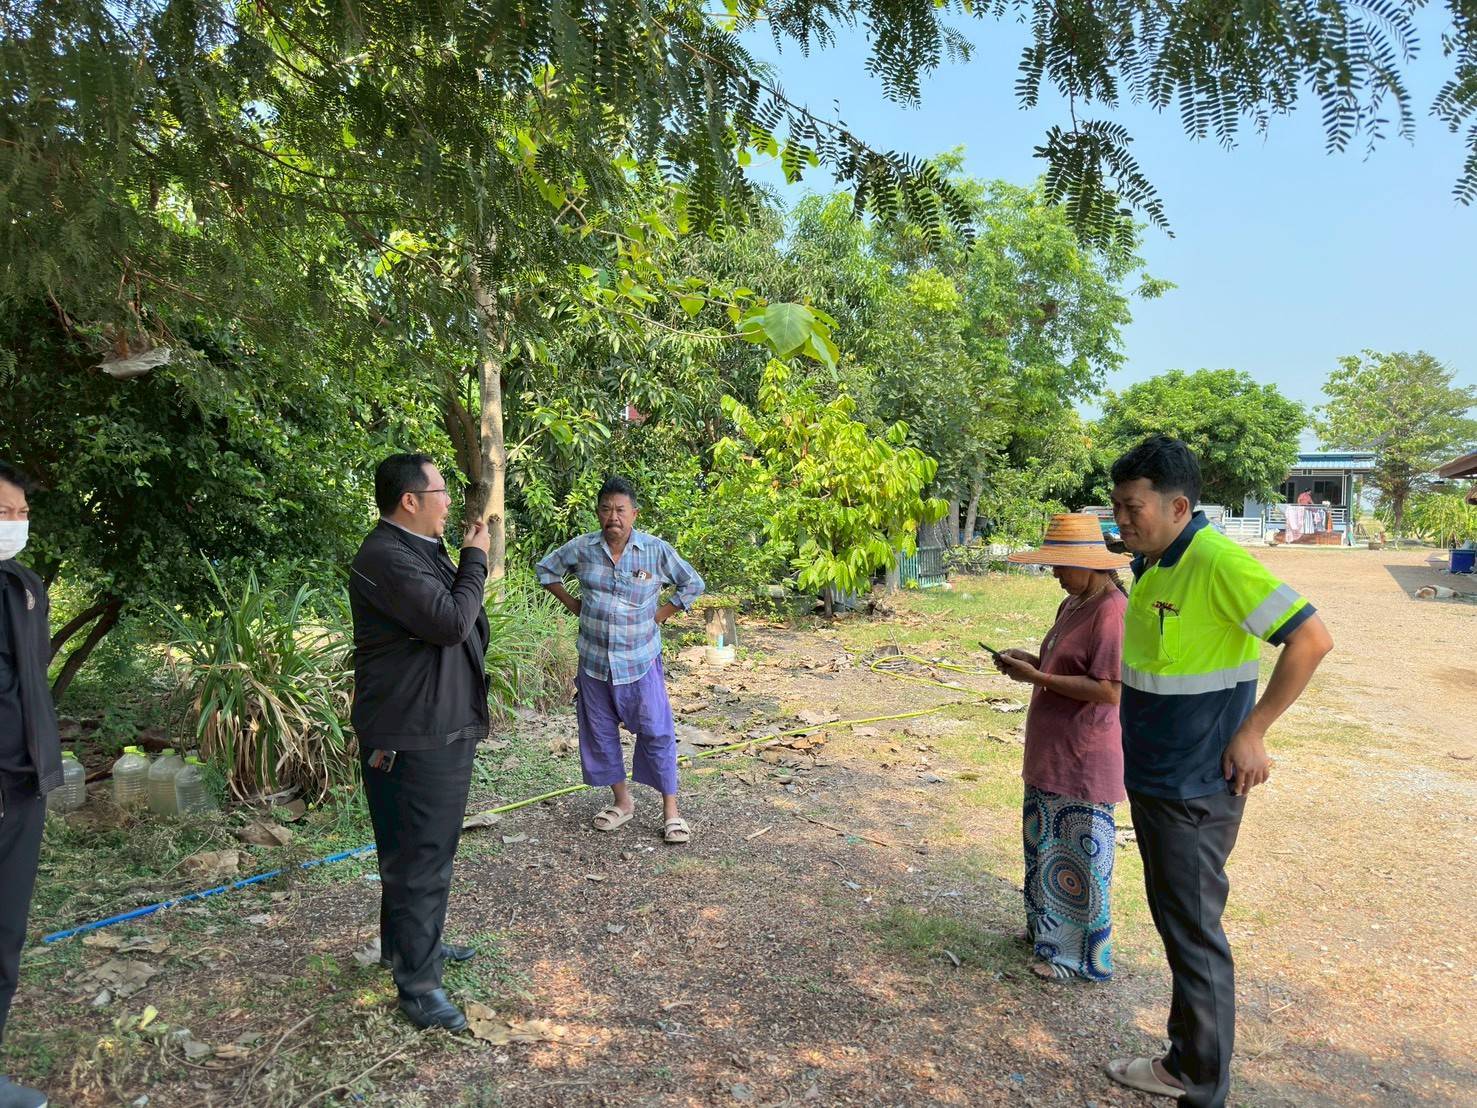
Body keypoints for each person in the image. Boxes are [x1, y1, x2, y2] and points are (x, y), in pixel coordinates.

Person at [1104, 437, 1333, 1107]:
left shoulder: (1214, 560)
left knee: (1194, 933)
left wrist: (1253, 729)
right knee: (1178, 922)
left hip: (1194, 785)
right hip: (1154, 774)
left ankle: (1199, 1080)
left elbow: (1310, 638)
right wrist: (1130, 544)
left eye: (1132, 508)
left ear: (1179, 506)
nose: (1122, 521)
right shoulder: (1158, 558)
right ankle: (1184, 1060)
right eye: (1116, 506)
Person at [348, 453, 490, 1032]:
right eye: (440, 491)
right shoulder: (385, 557)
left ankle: (407, 948)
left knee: (419, 850)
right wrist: (476, 558)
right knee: (420, 856)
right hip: (412, 732)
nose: (449, 500)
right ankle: (420, 987)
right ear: (410, 500)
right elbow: (452, 621)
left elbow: (455, 613)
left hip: (436, 723)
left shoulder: (415, 552)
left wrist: (462, 557)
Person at [995, 513, 1130, 984]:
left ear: (1089, 563)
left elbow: (1109, 689)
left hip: (1084, 755)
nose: (1053, 573)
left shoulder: (1111, 610)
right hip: (1052, 752)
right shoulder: (1074, 603)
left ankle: (1079, 958)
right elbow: (1060, 665)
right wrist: (1028, 662)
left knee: (1079, 857)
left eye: (1060, 565)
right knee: (1045, 847)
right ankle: (1046, 934)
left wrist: (1040, 678)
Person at [537, 477, 704, 843]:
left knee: (657, 731)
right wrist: (573, 605)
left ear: (634, 514)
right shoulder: (582, 549)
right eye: (606, 509)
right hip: (594, 662)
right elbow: (545, 570)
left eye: (620, 510)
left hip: (640, 660)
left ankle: (671, 812)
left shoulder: (655, 551)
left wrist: (661, 614)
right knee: (599, 734)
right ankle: (622, 802)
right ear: (598, 513)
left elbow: (693, 583)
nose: (613, 517)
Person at [0, 462, 57, 1108]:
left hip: (20, 787)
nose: (14, 524)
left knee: (4, 935)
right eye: (2, 513)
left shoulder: (20, 584)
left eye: (20, 514)